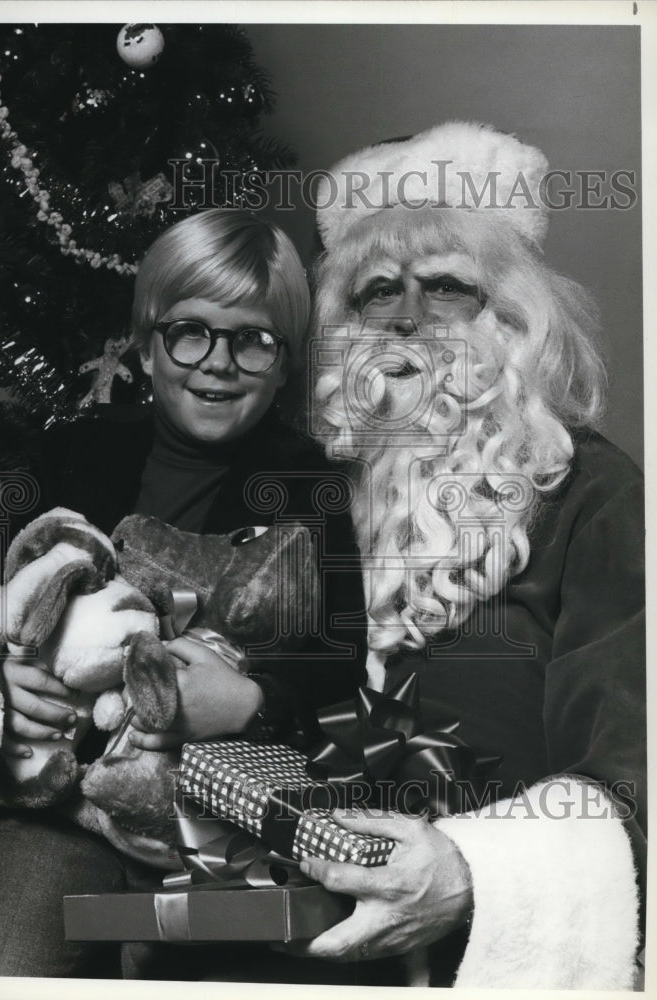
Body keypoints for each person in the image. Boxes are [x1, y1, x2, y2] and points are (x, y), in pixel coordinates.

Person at [0, 208, 366, 978]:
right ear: (145, 341)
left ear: (285, 360)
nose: (218, 362)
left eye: (252, 339)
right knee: (5, 958)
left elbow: (339, 662)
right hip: (59, 811)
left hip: (213, 821)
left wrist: (249, 701)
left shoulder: (309, 489)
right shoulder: (72, 454)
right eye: (189, 331)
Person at [294, 122, 645, 989]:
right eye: (378, 292)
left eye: (447, 287)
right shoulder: (305, 492)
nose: (409, 317)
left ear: (511, 314)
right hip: (302, 914)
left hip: (496, 934)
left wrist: (471, 870)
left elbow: (633, 763)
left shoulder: (593, 491)